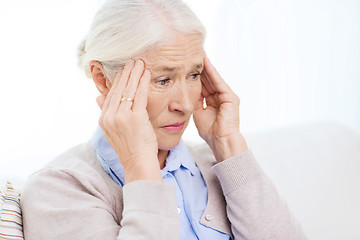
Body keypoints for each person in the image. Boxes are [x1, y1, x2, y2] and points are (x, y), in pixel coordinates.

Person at [21, 0, 308, 239]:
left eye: (194, 75)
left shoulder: (215, 164)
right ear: (103, 79)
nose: (186, 104)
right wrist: (140, 166)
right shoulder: (59, 189)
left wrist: (229, 145)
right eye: (163, 79)